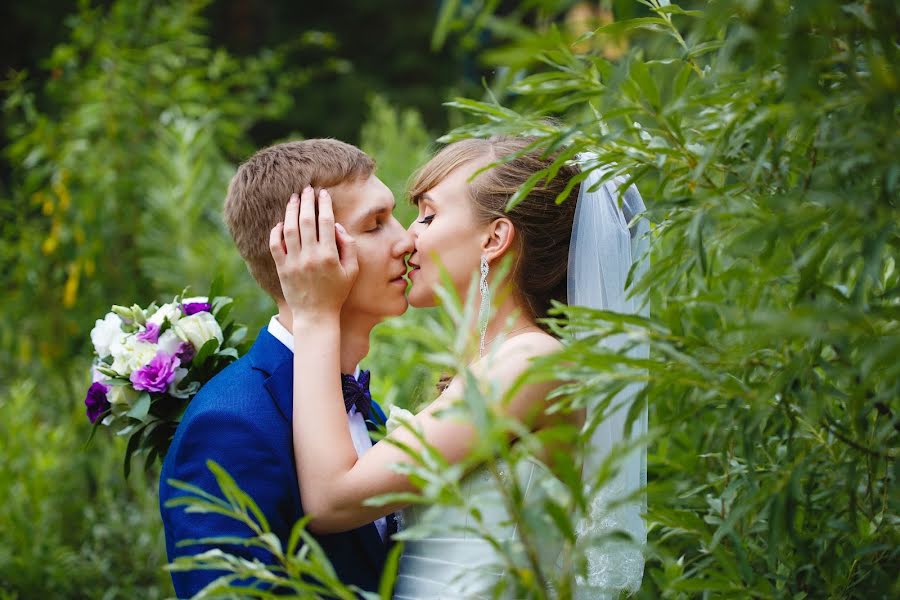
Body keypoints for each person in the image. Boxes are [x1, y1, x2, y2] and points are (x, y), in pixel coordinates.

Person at [270, 136, 649, 598]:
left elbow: (332, 501)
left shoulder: (530, 364)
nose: (408, 237)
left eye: (428, 216)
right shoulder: (495, 365)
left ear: (494, 238)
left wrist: (314, 313)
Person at [158, 139, 414, 597]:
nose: (407, 239)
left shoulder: (363, 405)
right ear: (304, 252)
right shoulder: (231, 426)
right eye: (376, 225)